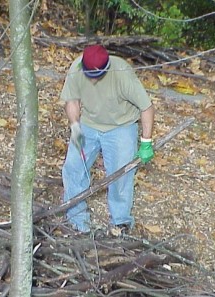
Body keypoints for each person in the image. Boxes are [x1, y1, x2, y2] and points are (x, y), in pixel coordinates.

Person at [60, 44, 155, 233]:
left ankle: (120, 221)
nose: (93, 81)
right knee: (73, 168)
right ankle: (76, 219)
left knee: (121, 174)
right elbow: (72, 100)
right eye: (90, 75)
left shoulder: (122, 73)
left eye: (97, 76)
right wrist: (75, 127)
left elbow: (147, 107)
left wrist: (146, 142)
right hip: (88, 123)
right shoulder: (76, 68)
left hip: (121, 126)